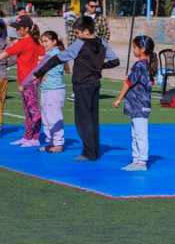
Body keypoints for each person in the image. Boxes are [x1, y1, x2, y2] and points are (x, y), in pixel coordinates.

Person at [34, 16, 120, 160]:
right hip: (95, 84)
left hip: (82, 85)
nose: (77, 35)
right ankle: (94, 150)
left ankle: (88, 153)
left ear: (86, 31)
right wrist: (99, 67)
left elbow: (59, 58)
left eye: (78, 32)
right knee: (93, 118)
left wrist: (39, 72)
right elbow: (115, 61)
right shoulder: (103, 42)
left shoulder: (80, 43)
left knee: (82, 120)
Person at [111, 36, 157, 171]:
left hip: (139, 104)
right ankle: (136, 159)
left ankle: (141, 161)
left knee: (140, 133)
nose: (134, 50)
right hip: (139, 104)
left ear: (142, 49)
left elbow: (128, 83)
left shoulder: (140, 65)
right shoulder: (146, 65)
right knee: (135, 133)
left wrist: (119, 98)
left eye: (135, 47)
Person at [1, 17, 44, 148]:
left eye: (19, 28)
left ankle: (35, 137)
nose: (17, 30)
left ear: (26, 29)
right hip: (26, 81)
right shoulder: (35, 42)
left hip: (28, 81)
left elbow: (5, 54)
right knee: (27, 110)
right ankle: (28, 137)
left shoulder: (25, 42)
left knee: (33, 111)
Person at [35, 31, 67, 154]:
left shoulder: (56, 54)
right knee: (46, 117)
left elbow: (47, 71)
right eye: (42, 41)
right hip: (45, 89)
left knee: (54, 116)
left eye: (46, 41)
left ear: (54, 41)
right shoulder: (47, 54)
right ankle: (51, 141)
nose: (44, 44)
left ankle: (58, 143)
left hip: (54, 89)